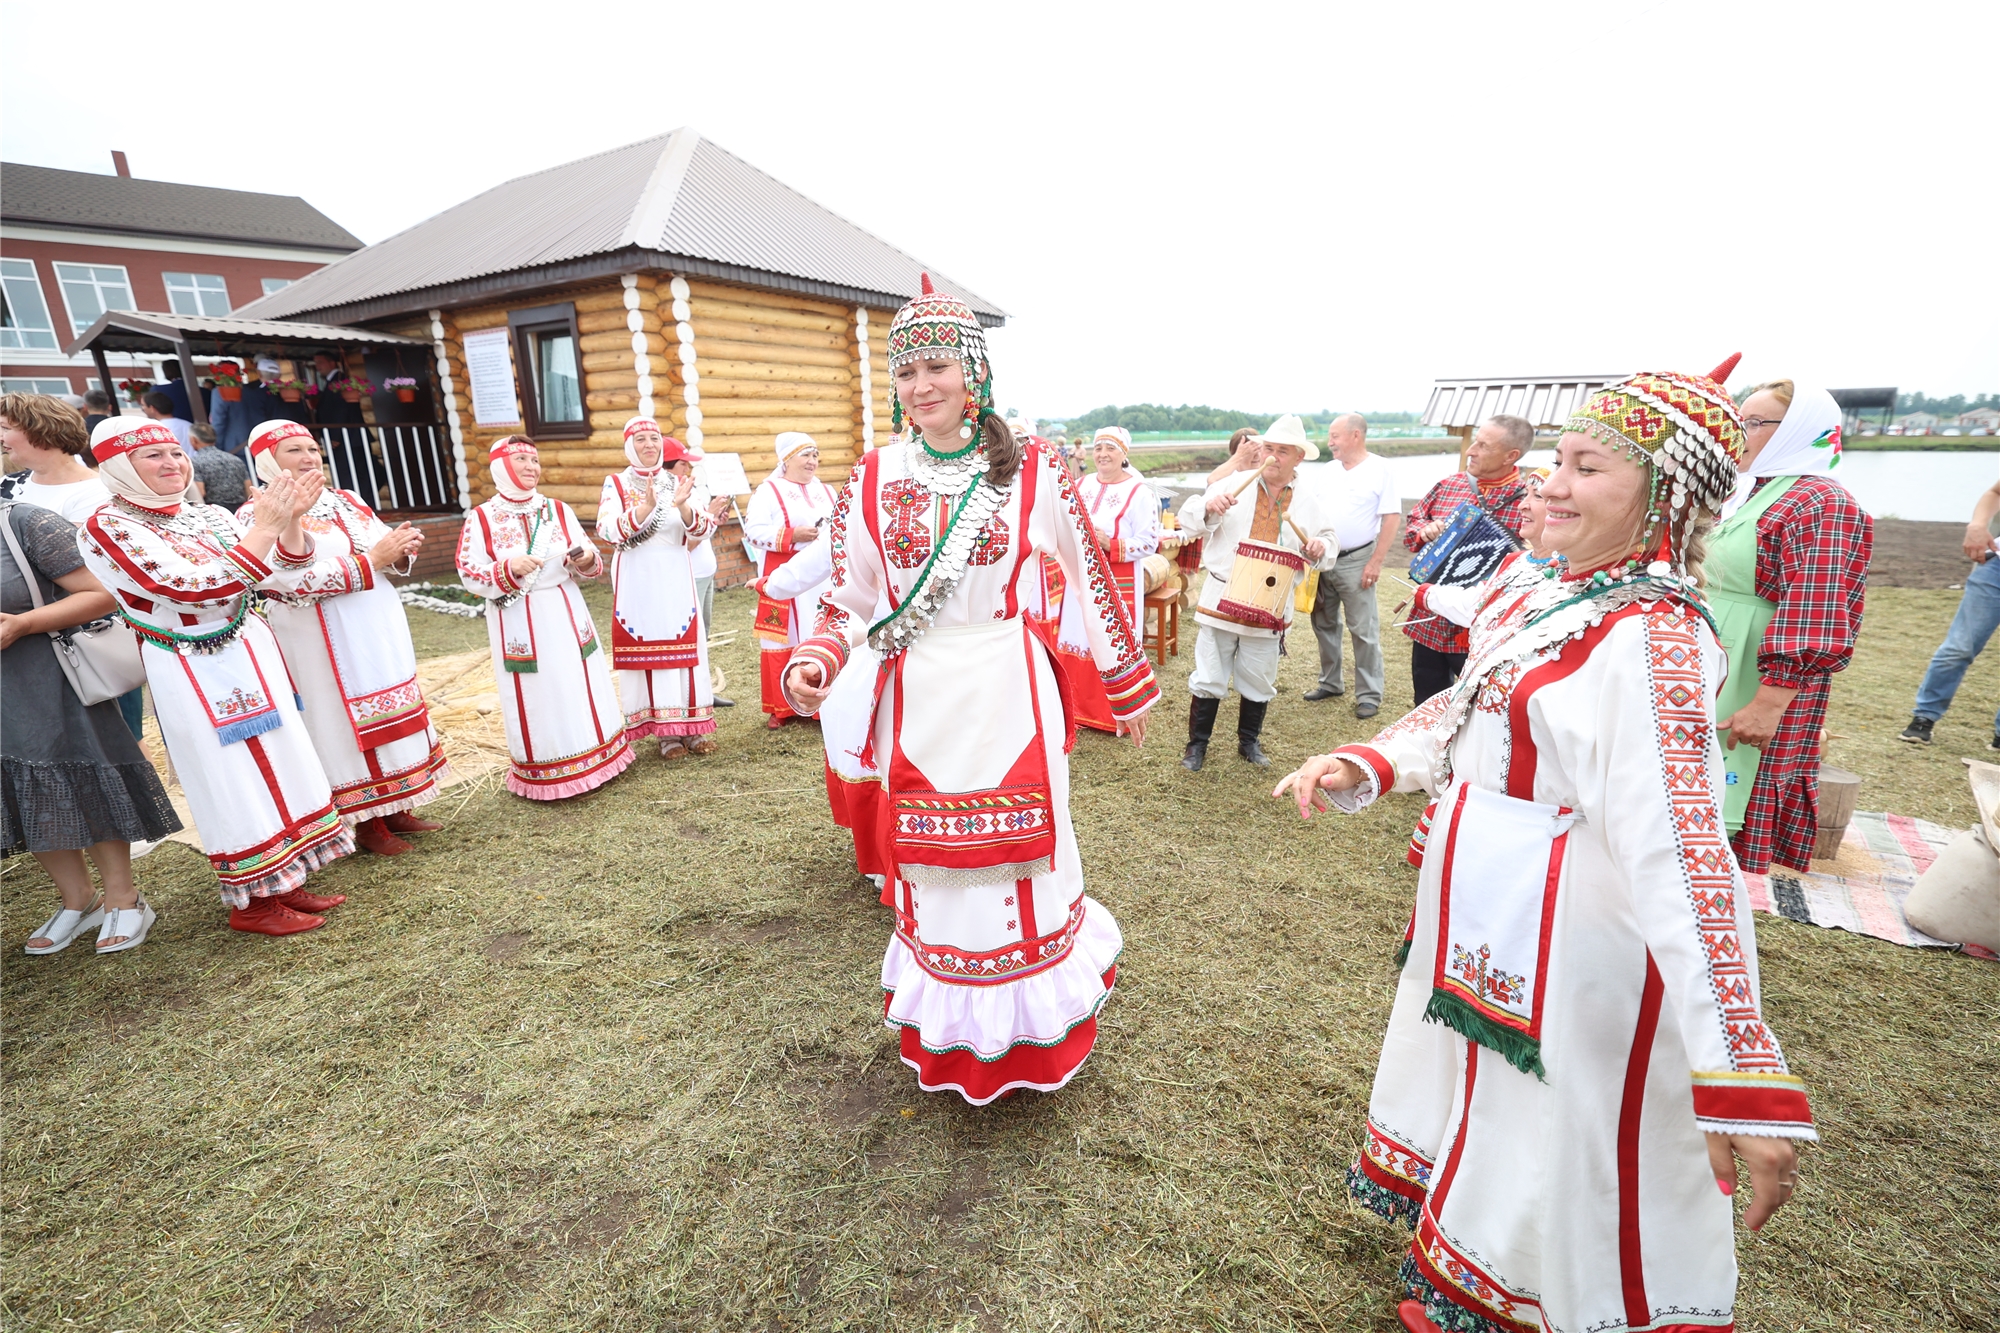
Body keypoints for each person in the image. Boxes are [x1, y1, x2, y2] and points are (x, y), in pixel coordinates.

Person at [1275, 364, 1814, 1333]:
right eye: (1554, 459)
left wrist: (1738, 1063)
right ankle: (1486, 1286)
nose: (1549, 483)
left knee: (1570, 1137)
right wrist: (1366, 760)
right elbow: (1465, 703)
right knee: (1504, 1117)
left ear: (1664, 493)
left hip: (1577, 943)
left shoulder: (1654, 638)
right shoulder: (1545, 589)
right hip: (1500, 916)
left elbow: (1683, 852)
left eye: (1587, 466)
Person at [781, 275, 1158, 1104]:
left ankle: (1034, 1032)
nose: (922, 387)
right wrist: (815, 656)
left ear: (974, 372)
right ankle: (958, 1031)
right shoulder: (872, 477)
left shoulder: (1033, 469)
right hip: (919, 694)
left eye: (938, 368)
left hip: (1008, 686)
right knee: (939, 866)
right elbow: (850, 597)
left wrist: (1125, 685)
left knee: (1022, 857)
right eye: (907, 373)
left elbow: (1089, 571)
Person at [77, 419, 356, 934]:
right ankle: (252, 904)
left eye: (175, 453)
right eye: (153, 456)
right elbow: (189, 589)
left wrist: (291, 518)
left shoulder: (204, 514)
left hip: (247, 649)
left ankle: (287, 881)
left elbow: (280, 570)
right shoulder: (106, 527)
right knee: (230, 773)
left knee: (282, 757)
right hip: (190, 666)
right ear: (117, 467)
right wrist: (268, 526)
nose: (172, 463)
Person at [238, 420, 448, 854]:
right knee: (339, 721)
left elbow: (379, 548)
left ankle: (397, 803)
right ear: (265, 462)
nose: (308, 457)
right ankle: (366, 820)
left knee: (390, 704)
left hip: (375, 623)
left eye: (312, 448)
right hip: (318, 635)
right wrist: (372, 560)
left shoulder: (348, 500)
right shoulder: (256, 514)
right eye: (293, 450)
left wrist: (398, 549)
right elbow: (282, 583)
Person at [1704, 379, 1872, 873]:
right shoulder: (1751, 490)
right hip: (1716, 654)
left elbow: (1814, 611)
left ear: (1796, 431)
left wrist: (1768, 704)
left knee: (1727, 794)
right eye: (1740, 419)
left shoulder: (1821, 503)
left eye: (1754, 423)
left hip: (1756, 673)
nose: (1739, 432)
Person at [4, 499, 183, 954]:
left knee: (86, 778)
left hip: (50, 676)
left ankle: (124, 898)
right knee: (23, 790)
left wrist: (22, 623)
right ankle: (78, 900)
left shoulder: (21, 520)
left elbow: (105, 592)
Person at [457, 435, 634, 799]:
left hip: (565, 608)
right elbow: (468, 571)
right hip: (520, 617)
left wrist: (584, 559)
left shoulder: (556, 508)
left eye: (534, 460)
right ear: (500, 467)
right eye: (520, 459)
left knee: (579, 680)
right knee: (539, 689)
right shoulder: (482, 518)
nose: (530, 467)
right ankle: (550, 768)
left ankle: (599, 758)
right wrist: (509, 567)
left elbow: (590, 556)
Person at [1175, 414, 1339, 771]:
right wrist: (1208, 506)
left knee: (1259, 674)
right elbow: (1187, 519)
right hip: (1222, 597)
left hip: (1271, 604)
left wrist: (1318, 548)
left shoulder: (1308, 499)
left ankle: (1248, 742)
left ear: (1298, 457)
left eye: (1283, 451)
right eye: (1269, 448)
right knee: (1209, 673)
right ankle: (1196, 746)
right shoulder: (1235, 482)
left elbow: (1329, 539)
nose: (1273, 456)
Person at [0, 393, 146, 743]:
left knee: (120, 737)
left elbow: (89, 572)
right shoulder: (11, 485)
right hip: (32, 642)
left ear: (41, 431)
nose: (0, 438)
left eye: (5, 428)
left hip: (88, 635)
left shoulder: (95, 493)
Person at [596, 418, 722, 759]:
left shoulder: (678, 482)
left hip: (675, 572)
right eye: (641, 439)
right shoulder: (616, 484)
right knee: (651, 647)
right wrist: (646, 507)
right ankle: (665, 736)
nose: (649, 445)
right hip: (638, 576)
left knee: (686, 644)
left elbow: (703, 527)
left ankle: (693, 729)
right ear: (628, 445)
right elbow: (606, 530)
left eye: (654, 438)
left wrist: (681, 504)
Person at [1400, 414, 1533, 701]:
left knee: (1485, 704)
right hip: (1431, 619)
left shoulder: (1530, 501)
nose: (1471, 451)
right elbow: (1413, 525)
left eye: (1483, 446)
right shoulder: (1449, 485)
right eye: (1474, 442)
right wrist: (1424, 531)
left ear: (1512, 455)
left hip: (1487, 627)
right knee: (1425, 699)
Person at [1059, 425, 1159, 733]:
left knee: (1109, 641)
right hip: (1080, 576)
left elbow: (1150, 541)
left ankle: (1112, 713)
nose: (1103, 454)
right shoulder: (1082, 482)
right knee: (1077, 636)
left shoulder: (1138, 492)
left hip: (1117, 580)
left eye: (1111, 448)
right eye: (1098, 448)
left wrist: (1111, 543)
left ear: (1123, 454)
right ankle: (1075, 709)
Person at [1304, 413, 1401, 719]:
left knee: (1364, 629)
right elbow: (1314, 511)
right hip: (1323, 560)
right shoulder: (1329, 470)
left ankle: (1369, 695)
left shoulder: (1381, 469)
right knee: (1323, 624)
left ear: (1355, 435)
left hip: (1358, 559)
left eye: (1335, 436)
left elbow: (1391, 518)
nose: (1329, 442)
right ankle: (1331, 683)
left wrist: (1376, 561)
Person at [744, 431, 837, 729]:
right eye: (805, 455)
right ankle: (782, 706)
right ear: (786, 459)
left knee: (819, 630)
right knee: (782, 637)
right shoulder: (769, 491)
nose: (813, 461)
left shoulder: (827, 490)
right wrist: (792, 536)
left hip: (822, 577)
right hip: (782, 573)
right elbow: (753, 532)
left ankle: (823, 701)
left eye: (815, 455)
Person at [1903, 472, 2000, 749]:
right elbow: (1995, 492)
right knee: (1960, 646)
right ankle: (1923, 718)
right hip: (1996, 569)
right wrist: (1978, 525)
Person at [188, 422, 250, 510]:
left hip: (215, 512)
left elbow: (200, 492)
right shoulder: (236, 459)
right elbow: (249, 490)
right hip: (240, 509)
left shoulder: (195, 462)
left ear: (193, 440)